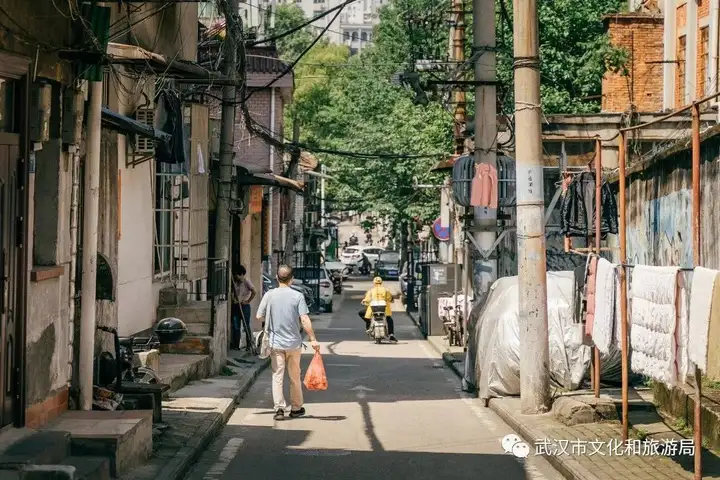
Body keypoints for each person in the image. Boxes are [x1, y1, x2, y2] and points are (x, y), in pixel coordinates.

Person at [257, 265, 319, 421]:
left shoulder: (269, 295)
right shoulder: (297, 296)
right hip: (293, 344)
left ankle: (279, 409)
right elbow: (304, 319)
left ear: (277, 278)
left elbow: (259, 316)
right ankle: (296, 408)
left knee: (277, 376)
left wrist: (272, 319)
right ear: (292, 279)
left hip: (275, 343)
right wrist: (312, 339)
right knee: (294, 376)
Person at [358, 276, 397, 342]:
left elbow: (367, 300)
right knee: (389, 320)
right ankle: (391, 335)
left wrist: (364, 301)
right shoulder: (386, 290)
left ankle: (369, 325)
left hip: (373, 310)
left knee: (361, 313)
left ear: (374, 283)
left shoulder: (371, 291)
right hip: (384, 310)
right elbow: (390, 298)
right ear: (381, 282)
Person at [231, 266, 256, 350]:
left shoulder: (246, 282)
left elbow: (254, 291)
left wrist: (248, 301)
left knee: (246, 325)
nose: (236, 276)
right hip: (236, 306)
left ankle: (249, 345)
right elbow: (232, 293)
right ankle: (236, 346)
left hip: (244, 306)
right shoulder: (234, 282)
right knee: (236, 326)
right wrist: (233, 299)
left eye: (237, 275)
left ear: (241, 274)